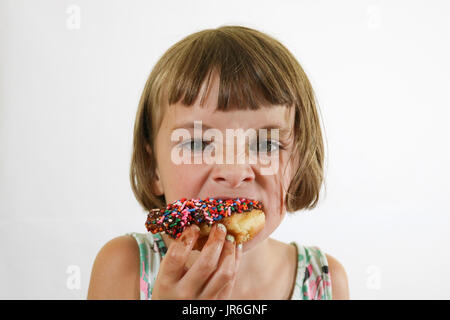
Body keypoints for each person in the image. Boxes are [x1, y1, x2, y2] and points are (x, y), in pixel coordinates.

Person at [87, 25, 350, 300]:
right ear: (154, 169)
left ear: (298, 166)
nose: (235, 172)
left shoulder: (325, 280)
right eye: (197, 144)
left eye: (266, 144)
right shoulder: (125, 268)